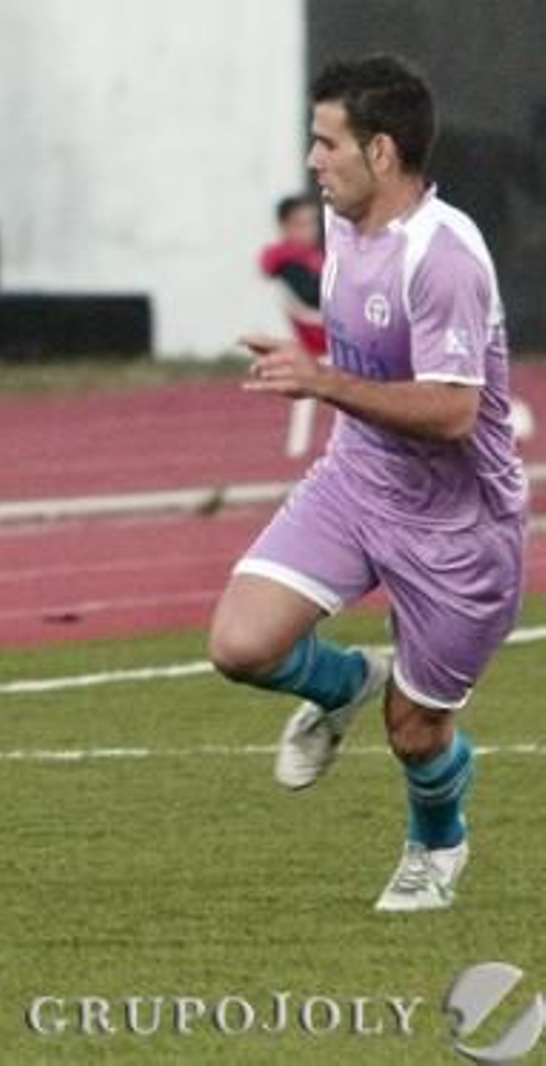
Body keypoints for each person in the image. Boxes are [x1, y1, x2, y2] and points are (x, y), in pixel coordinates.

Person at [208, 54, 527, 913]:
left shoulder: (446, 258)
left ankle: (438, 844)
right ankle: (342, 682)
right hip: (358, 479)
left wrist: (323, 382)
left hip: (461, 525)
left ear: (381, 152)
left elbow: (456, 413)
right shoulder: (340, 221)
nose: (313, 160)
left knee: (416, 731)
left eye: (327, 142)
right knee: (240, 645)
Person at [259, 194, 328, 457]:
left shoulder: (309, 257)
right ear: (285, 227)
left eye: (312, 222)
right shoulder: (287, 262)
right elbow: (313, 296)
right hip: (321, 337)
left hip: (327, 332)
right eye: (301, 223)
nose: (309, 230)